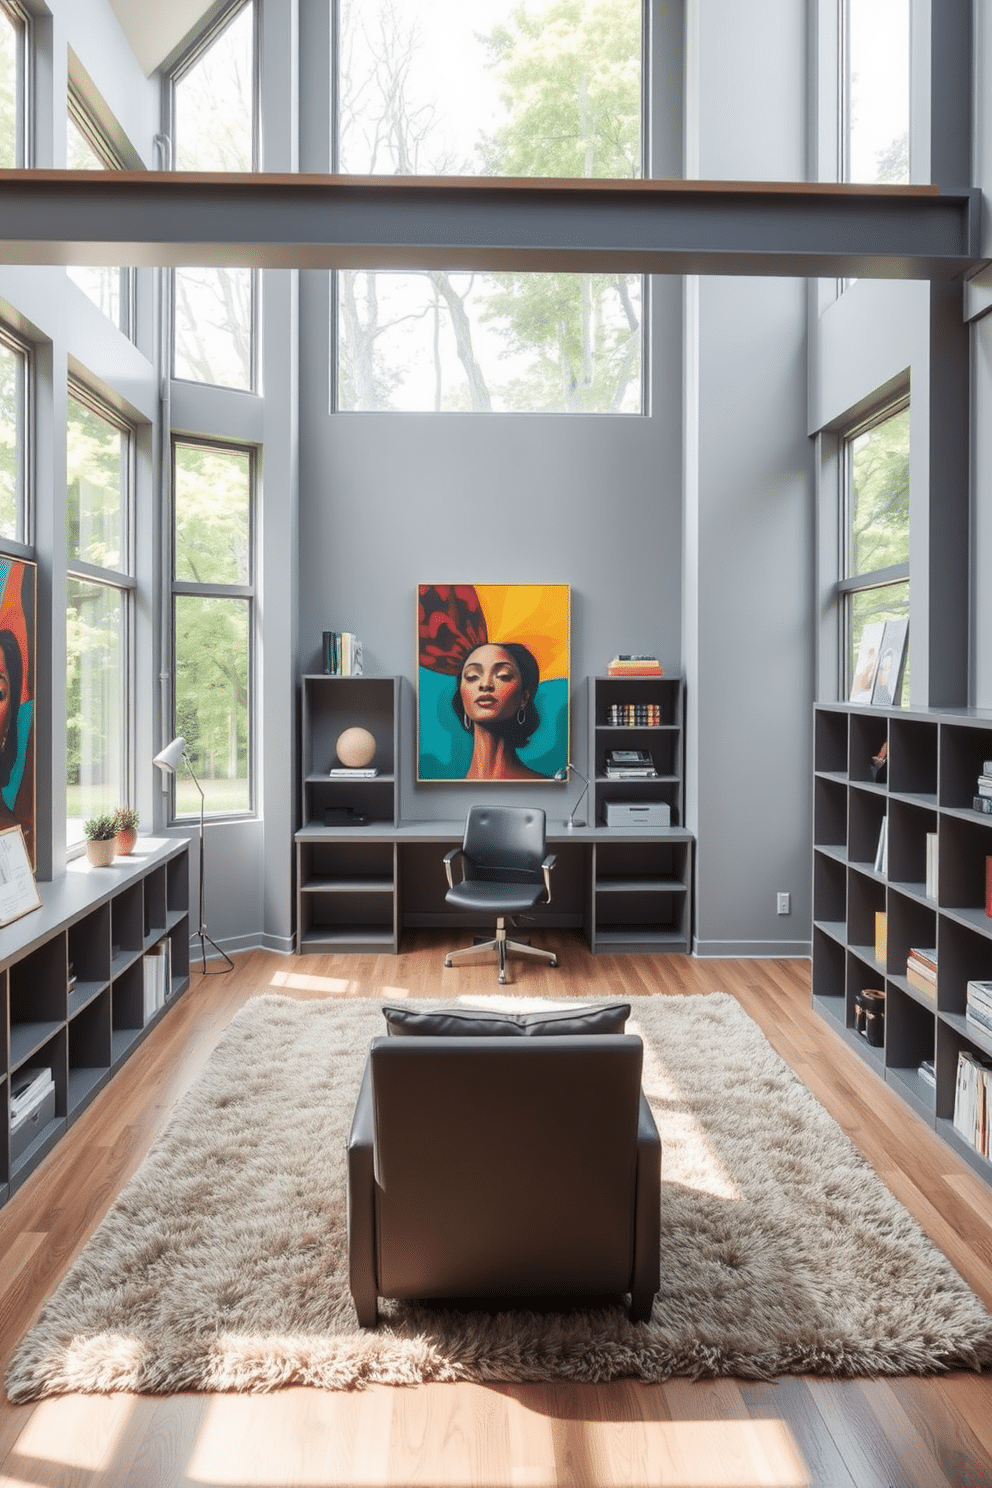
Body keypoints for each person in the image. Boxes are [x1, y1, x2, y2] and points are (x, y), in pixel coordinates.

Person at [451, 641, 549, 780]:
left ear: (524, 697)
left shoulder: (544, 787)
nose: (485, 685)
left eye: (503, 675)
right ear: (461, 695)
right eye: (472, 676)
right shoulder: (448, 790)